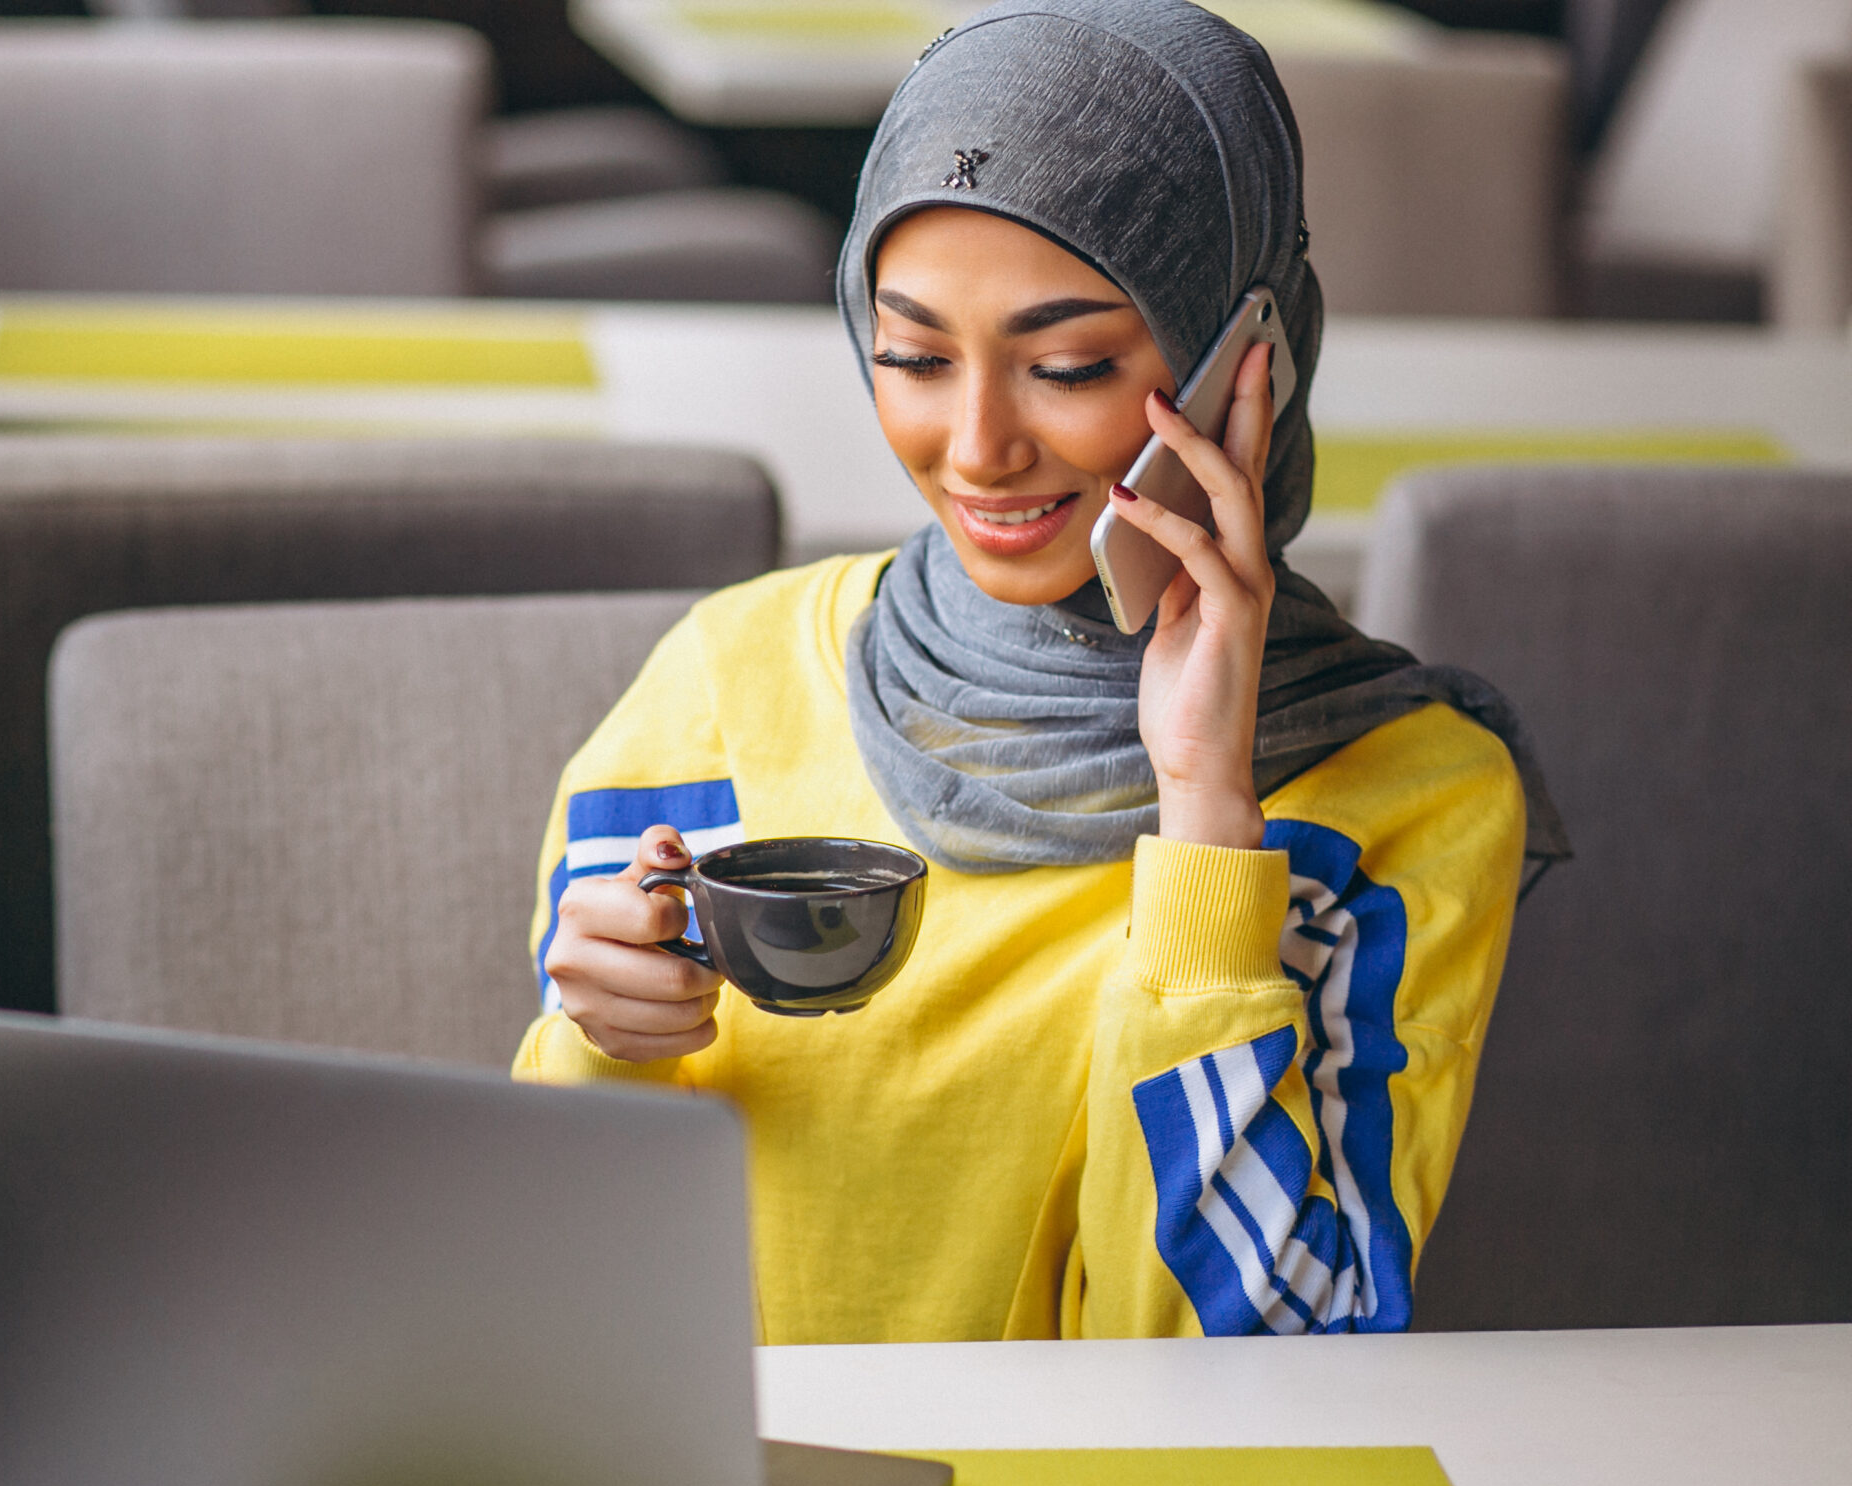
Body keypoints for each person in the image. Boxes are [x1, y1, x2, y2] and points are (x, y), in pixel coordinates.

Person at [511, 0, 1570, 1343]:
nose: (976, 445)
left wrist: (1203, 813)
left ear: (1247, 362)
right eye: (911, 356)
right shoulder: (714, 687)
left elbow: (1268, 1366)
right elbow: (549, 1302)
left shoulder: (1413, 798)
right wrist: (601, 1044)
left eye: (1066, 365)